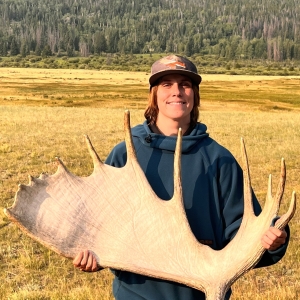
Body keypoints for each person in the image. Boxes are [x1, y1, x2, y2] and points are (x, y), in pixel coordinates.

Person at [73, 55, 289, 299]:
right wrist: (91, 254)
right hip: (135, 294)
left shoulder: (219, 159)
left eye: (185, 85)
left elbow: (242, 230)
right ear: (154, 94)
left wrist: (273, 238)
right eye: (166, 84)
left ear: (194, 95)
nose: (176, 92)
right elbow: (101, 225)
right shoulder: (126, 154)